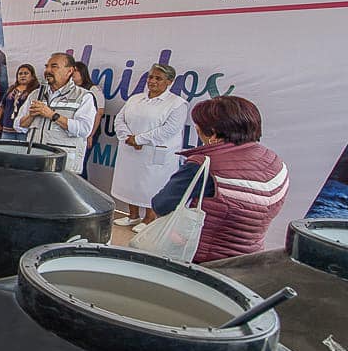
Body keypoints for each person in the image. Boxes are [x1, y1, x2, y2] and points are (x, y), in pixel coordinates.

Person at [152, 96, 288, 263]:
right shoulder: (275, 161)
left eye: (198, 127)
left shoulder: (204, 165)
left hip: (204, 260)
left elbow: (161, 204)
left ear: (213, 133)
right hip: (251, 258)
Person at [112, 64, 188, 232]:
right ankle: (132, 215)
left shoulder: (177, 104)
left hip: (154, 152)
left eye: (158, 78)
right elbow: (119, 119)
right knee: (130, 181)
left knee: (151, 184)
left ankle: (149, 218)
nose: (152, 81)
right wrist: (128, 138)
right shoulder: (136, 98)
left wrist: (139, 139)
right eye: (150, 77)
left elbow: (169, 130)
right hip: (130, 148)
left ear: (169, 82)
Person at [17, 53, 97, 174]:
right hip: (34, 162)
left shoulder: (84, 96)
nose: (48, 70)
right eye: (46, 66)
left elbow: (84, 129)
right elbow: (18, 125)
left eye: (54, 66)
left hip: (62, 166)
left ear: (69, 71)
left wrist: (52, 115)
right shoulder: (36, 94)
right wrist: (31, 115)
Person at [73, 61, 106, 179]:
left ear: (82, 72)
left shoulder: (93, 89)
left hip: (88, 131)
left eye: (75, 70)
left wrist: (90, 135)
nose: (73, 73)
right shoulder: (70, 89)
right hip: (73, 130)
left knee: (80, 164)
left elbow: (99, 112)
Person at [0, 64, 38, 140]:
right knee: (4, 151)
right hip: (7, 128)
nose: (22, 76)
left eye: (26, 73)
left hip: (24, 130)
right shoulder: (11, 89)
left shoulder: (35, 91)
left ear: (32, 76)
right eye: (20, 74)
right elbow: (2, 105)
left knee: (22, 151)